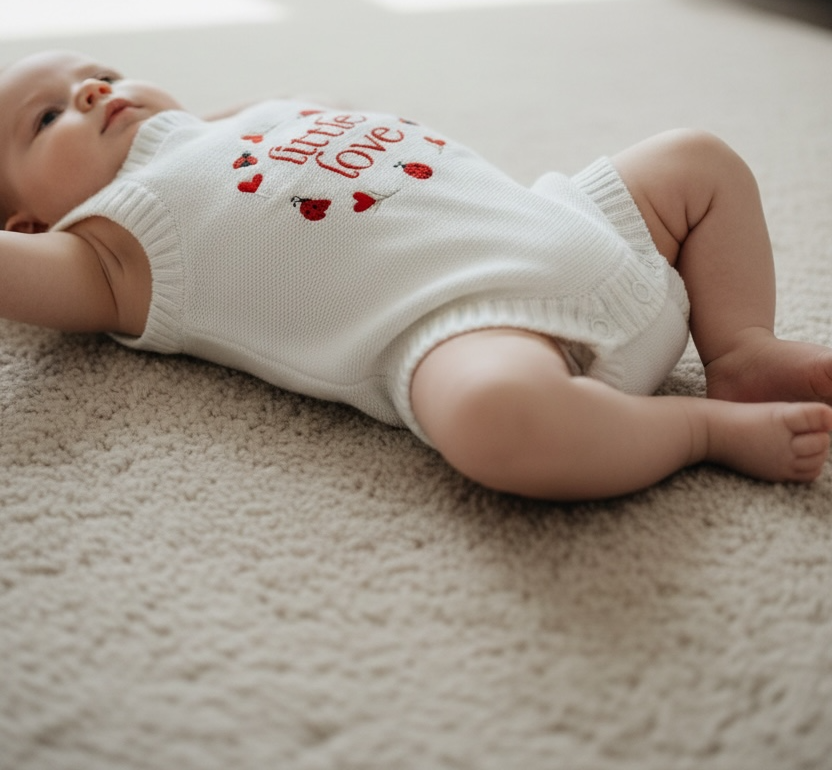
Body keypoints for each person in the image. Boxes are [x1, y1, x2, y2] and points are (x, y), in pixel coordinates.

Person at [1, 49, 831, 502]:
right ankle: (700, 433)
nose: (92, 92)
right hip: (481, 328)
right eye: (47, 117)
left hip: (572, 220)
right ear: (28, 223)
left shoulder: (241, 119)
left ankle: (740, 350)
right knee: (493, 420)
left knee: (697, 159)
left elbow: (277, 103)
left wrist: (215, 117)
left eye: (99, 71)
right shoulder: (109, 248)